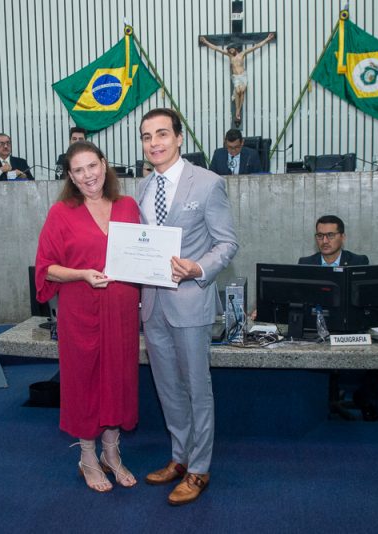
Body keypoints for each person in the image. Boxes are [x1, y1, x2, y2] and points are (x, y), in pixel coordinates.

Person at [137, 108, 239, 506]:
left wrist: (198, 267)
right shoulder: (142, 188)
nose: (154, 143)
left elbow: (228, 243)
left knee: (197, 388)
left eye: (162, 134)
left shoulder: (208, 183)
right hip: (153, 302)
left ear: (179, 138)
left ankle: (199, 468)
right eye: (147, 136)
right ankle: (179, 457)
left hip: (191, 300)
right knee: (168, 389)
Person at [34, 140, 141, 494]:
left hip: (122, 311)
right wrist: (81, 274)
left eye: (91, 166)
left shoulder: (128, 206)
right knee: (84, 382)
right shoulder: (61, 212)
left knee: (117, 379)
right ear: (70, 176)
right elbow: (47, 269)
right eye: (78, 170)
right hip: (80, 311)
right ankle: (87, 457)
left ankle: (112, 453)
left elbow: (143, 256)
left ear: (104, 164)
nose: (88, 175)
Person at [298, 215, 378, 422]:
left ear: (342, 237)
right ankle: (323, 397)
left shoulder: (358, 262)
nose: (325, 241)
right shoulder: (306, 263)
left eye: (330, 235)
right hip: (316, 328)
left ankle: (366, 397)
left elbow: (368, 299)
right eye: (320, 235)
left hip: (350, 328)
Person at [199, 33, 275, 124]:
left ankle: (238, 111)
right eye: (229, 50)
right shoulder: (230, 56)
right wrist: (205, 42)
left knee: (242, 91)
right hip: (236, 77)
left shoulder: (243, 54)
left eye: (231, 49)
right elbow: (216, 48)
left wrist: (267, 39)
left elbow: (256, 47)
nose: (230, 51)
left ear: (235, 48)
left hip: (243, 76)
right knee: (238, 91)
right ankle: (238, 111)